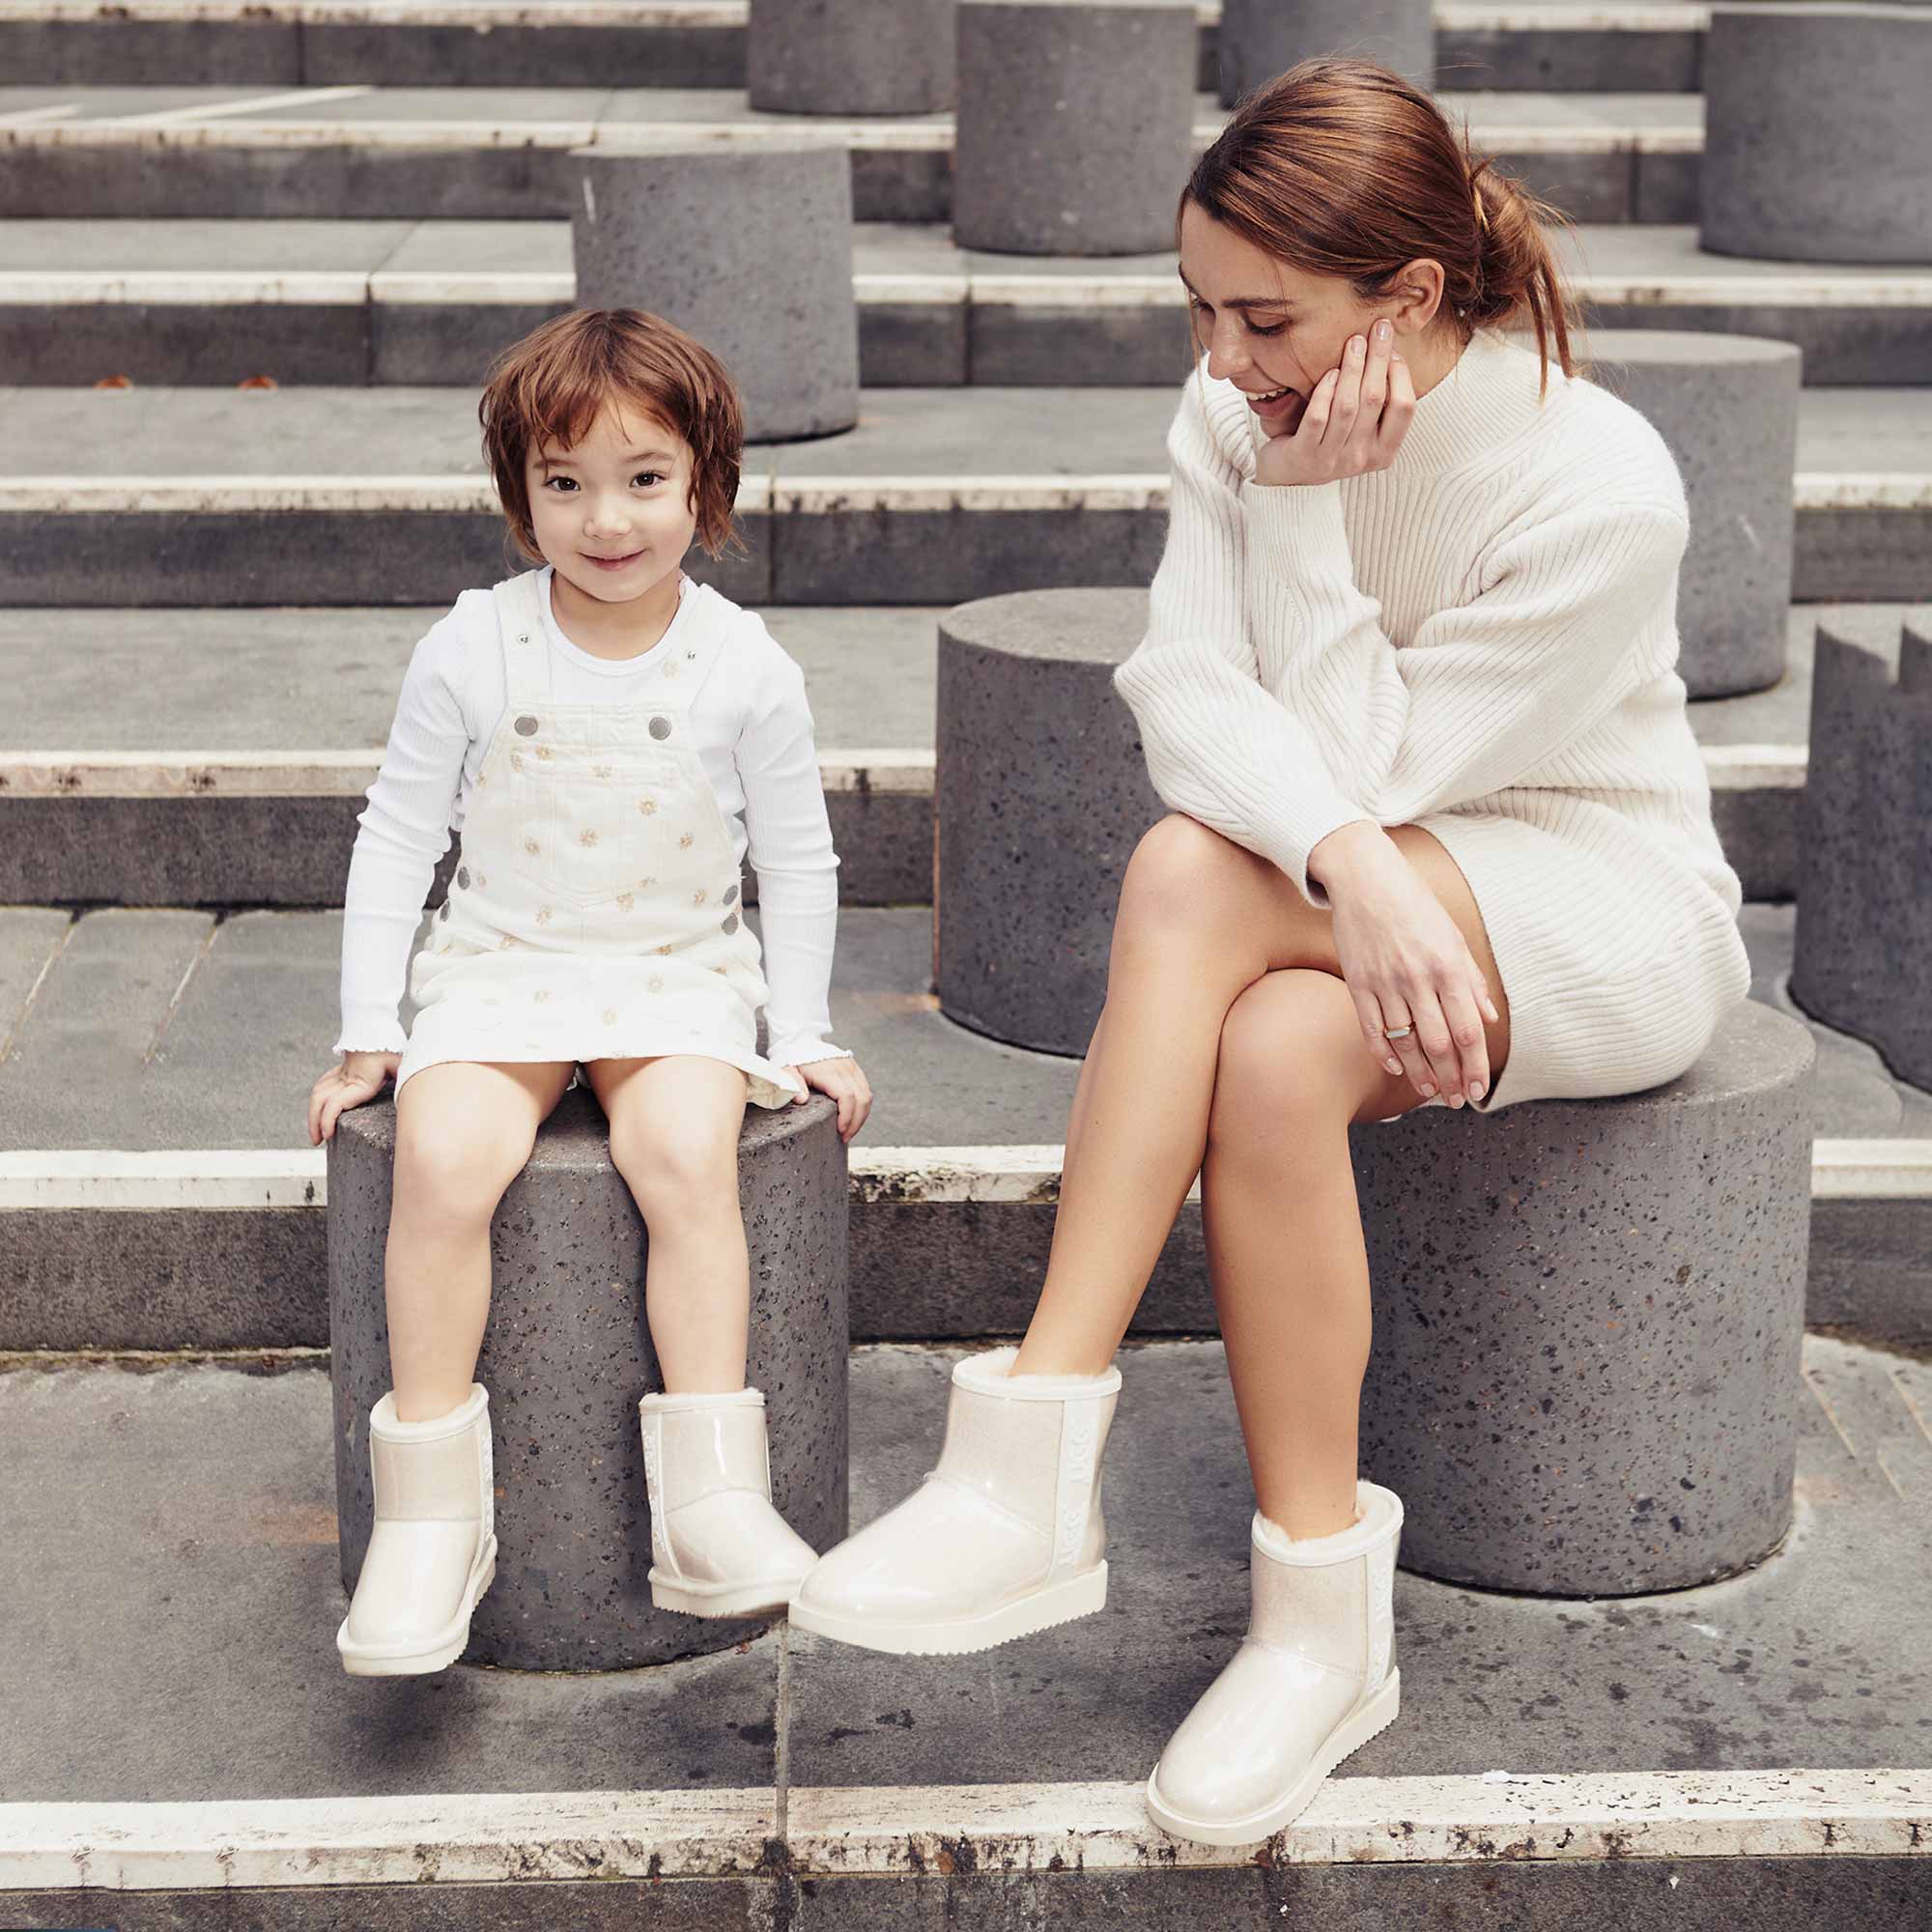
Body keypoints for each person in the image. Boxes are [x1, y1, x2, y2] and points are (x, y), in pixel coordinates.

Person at [789, 60, 1751, 1845]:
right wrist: (1353, 868)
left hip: (1596, 891)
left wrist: (1308, 526)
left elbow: (1376, 761)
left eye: (1265, 318)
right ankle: (1321, 1630)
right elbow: (1183, 685)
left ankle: (1034, 1453)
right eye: (1201, 308)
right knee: (1272, 1048)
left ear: (1412, 295)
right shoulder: (1237, 404)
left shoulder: (1599, 483)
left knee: (1186, 876)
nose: (1225, 360)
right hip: (1359, 870)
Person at [306, 307, 872, 1677]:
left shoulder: (744, 662)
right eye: (564, 483)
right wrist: (370, 1030)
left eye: (644, 479)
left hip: (676, 975)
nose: (606, 520)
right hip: (502, 967)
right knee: (446, 1160)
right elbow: (397, 836)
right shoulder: (473, 646)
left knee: (682, 1152)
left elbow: (799, 858)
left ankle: (711, 1497)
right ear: (521, 496)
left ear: (706, 484)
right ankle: (430, 1514)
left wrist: (802, 1030)